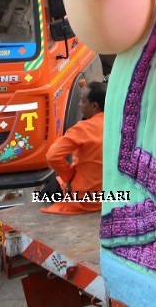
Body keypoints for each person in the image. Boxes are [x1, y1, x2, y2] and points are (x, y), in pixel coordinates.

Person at [42, 81, 106, 214]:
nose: (79, 104)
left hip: (86, 199)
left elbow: (52, 156)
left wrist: (69, 176)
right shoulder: (121, 124)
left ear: (94, 106)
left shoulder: (83, 128)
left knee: (47, 190)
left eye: (83, 101)